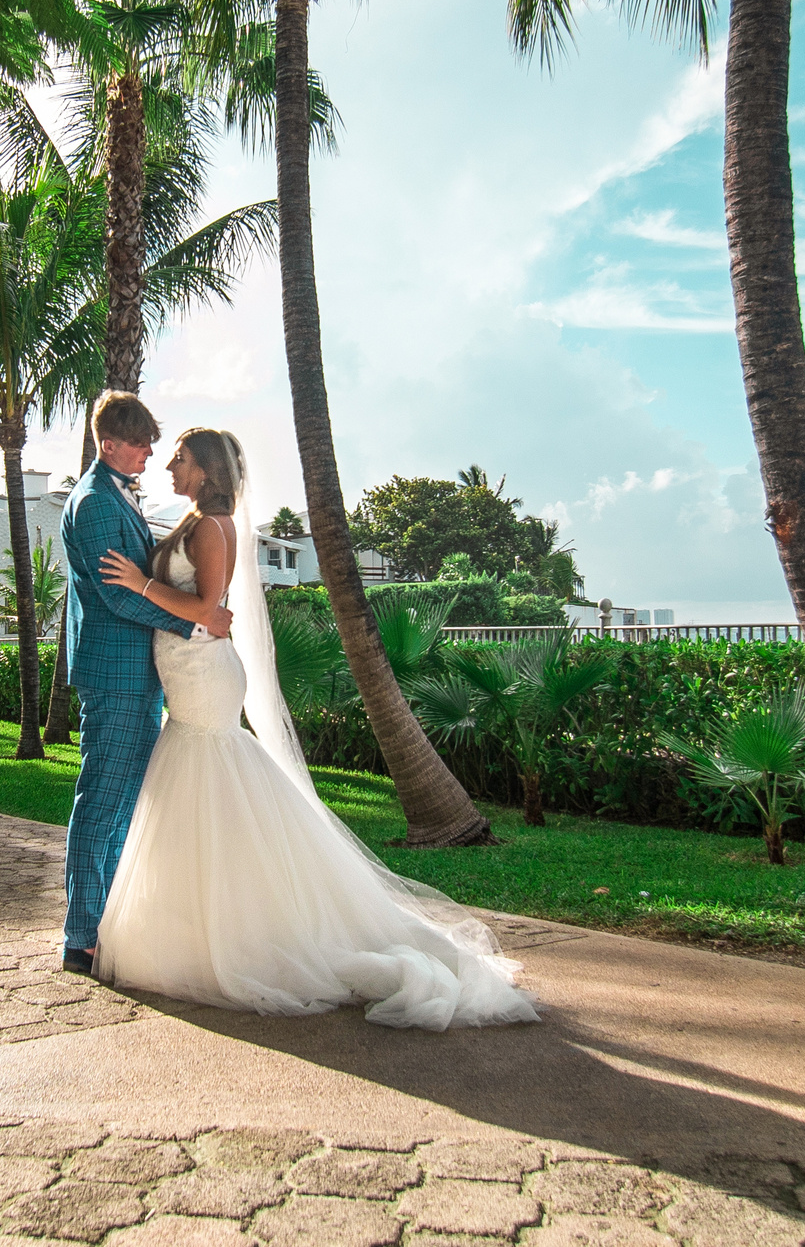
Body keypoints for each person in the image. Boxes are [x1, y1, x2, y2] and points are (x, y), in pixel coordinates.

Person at [92, 427, 538, 1030]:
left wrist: (138, 583)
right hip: (190, 673)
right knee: (212, 793)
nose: (170, 464)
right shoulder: (198, 520)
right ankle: (224, 918)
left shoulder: (208, 528)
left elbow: (210, 611)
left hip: (202, 675)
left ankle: (233, 933)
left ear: (205, 469)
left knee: (204, 781)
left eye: (180, 458)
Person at [57, 392, 232, 976]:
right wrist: (193, 620)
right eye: (140, 443)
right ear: (109, 443)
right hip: (116, 673)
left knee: (121, 804)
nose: (151, 453)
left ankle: (106, 925)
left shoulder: (114, 496)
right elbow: (115, 594)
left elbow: (135, 584)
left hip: (138, 672)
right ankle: (81, 937)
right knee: (102, 803)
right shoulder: (97, 503)